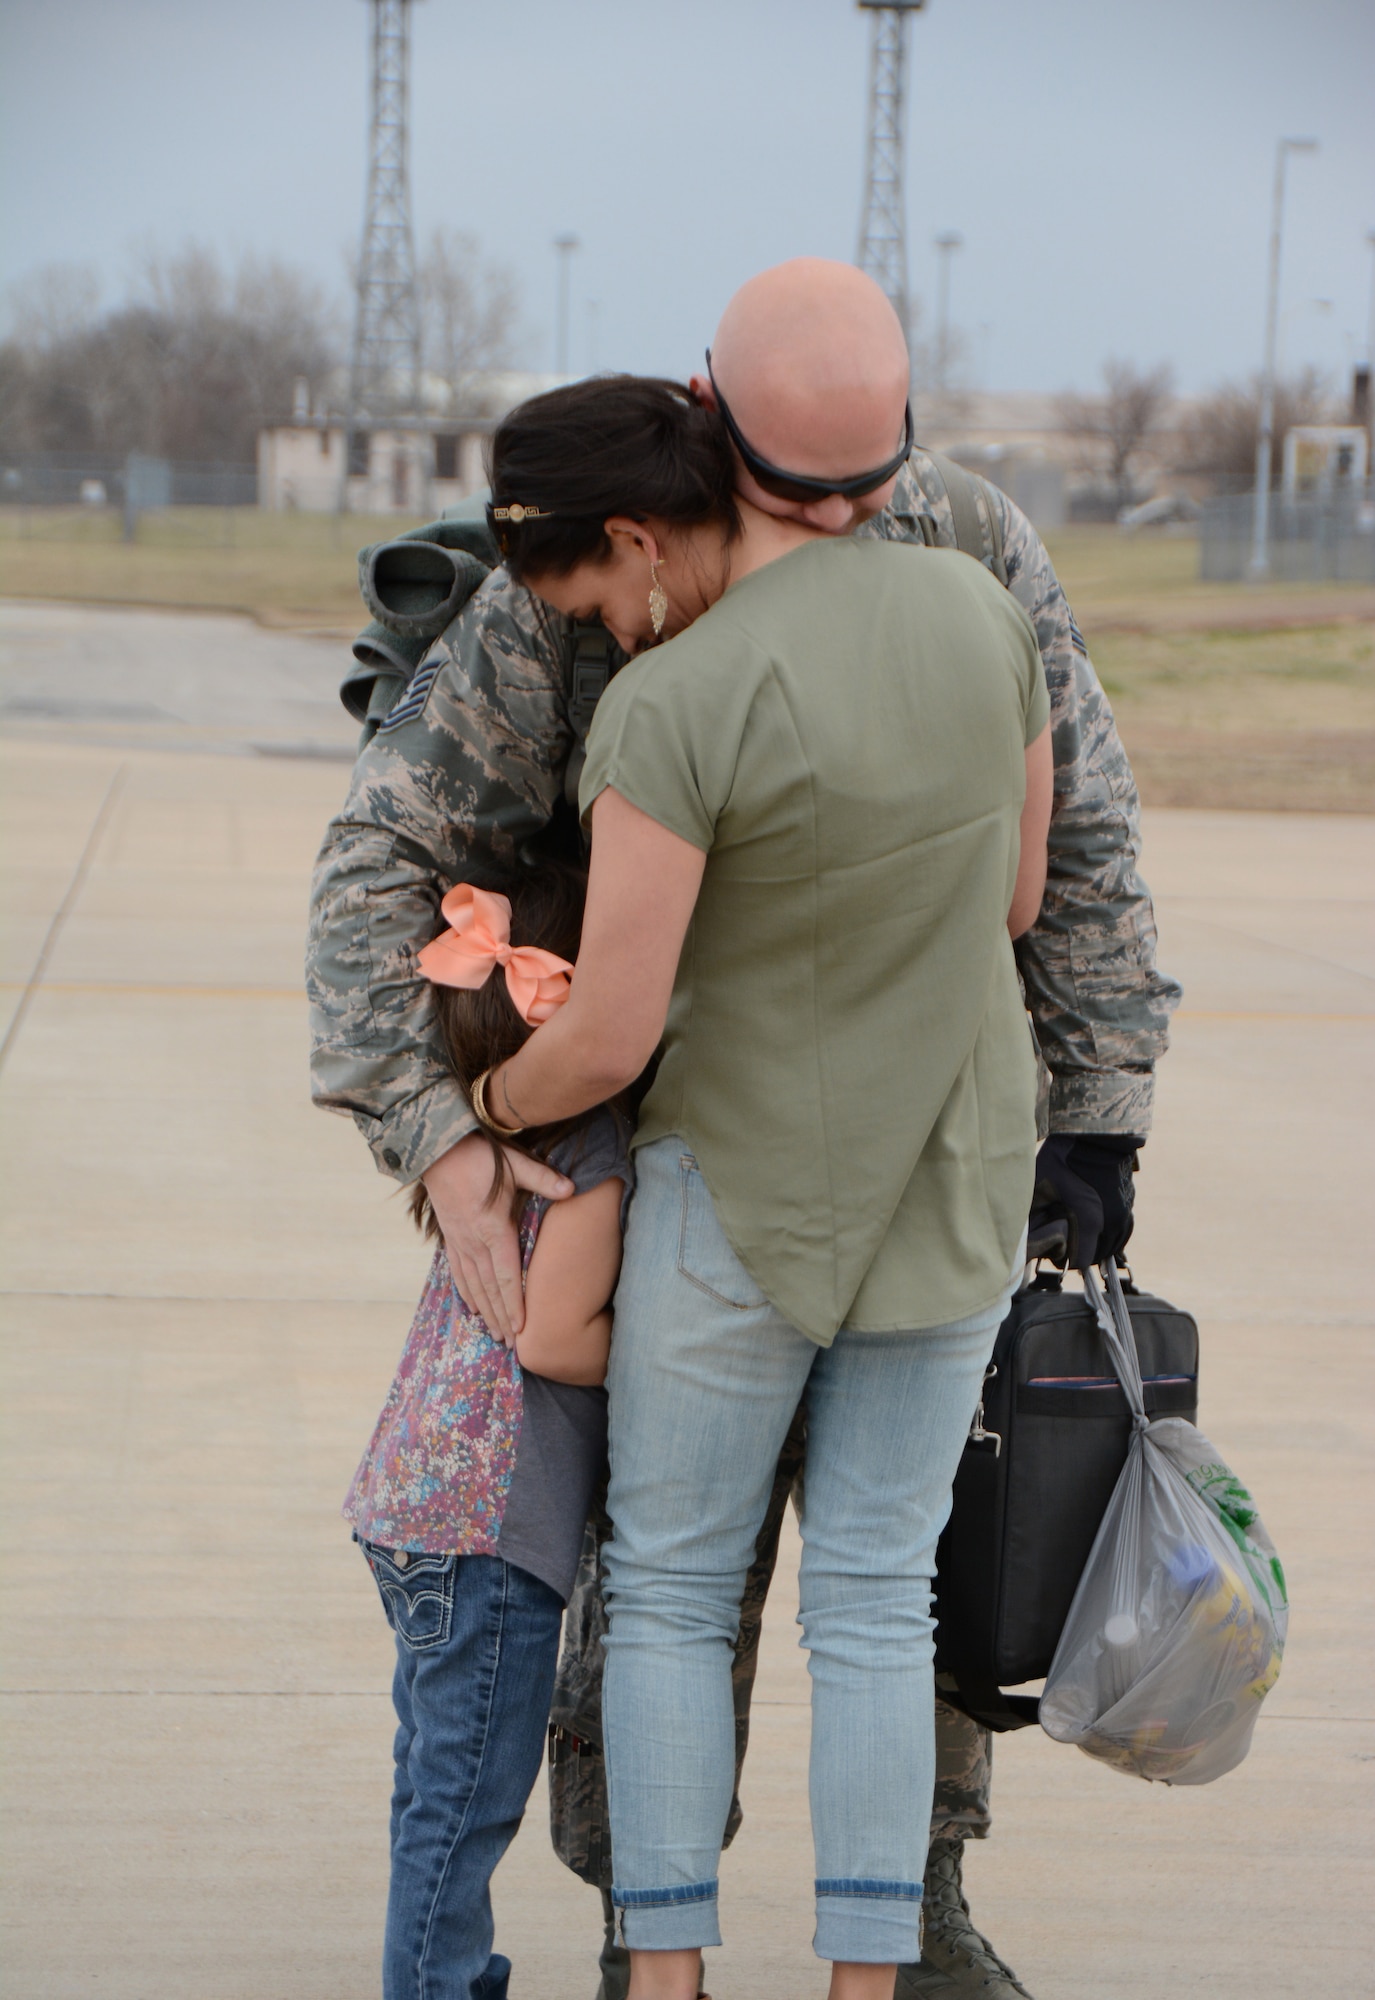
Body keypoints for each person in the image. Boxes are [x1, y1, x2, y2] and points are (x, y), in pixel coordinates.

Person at [307, 258, 1181, 2000]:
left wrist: (1101, 1122)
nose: (854, 518)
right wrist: (441, 1138)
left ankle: (895, 1917)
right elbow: (379, 855)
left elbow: (1083, 848)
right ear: (708, 423)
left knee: (881, 1578)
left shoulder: (970, 543)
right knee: (686, 1587)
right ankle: (661, 1934)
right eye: (821, 495)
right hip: (683, 1136)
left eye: (876, 490)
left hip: (862, 1139)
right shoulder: (612, 550)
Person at [475, 370, 1052, 2000]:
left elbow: (613, 1032)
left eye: (587, 589)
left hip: (742, 1185)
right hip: (951, 1179)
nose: (595, 625)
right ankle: (865, 1985)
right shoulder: (976, 608)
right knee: (874, 1605)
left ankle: (667, 1983)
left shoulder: (672, 703)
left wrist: (489, 1098)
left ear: (645, 538)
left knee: (664, 1593)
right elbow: (1017, 894)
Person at [343, 862, 632, 2000]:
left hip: (412, 1507)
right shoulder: (591, 1145)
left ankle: (455, 1968)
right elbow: (557, 1338)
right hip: (491, 1531)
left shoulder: (467, 1121)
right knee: (465, 1802)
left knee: (434, 1781)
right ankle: (435, 1981)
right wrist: (696, 1366)